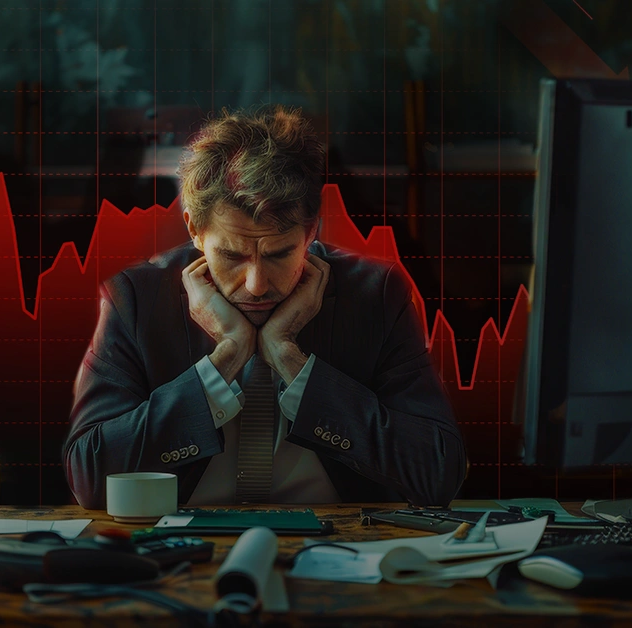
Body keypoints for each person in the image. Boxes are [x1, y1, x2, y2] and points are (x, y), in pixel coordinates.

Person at [63, 105, 465, 508]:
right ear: (195, 231)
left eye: (278, 254)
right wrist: (225, 359)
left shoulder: (376, 296)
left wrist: (291, 361)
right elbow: (90, 477)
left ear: (310, 232)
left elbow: (437, 474)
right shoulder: (135, 299)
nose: (256, 286)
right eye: (233, 256)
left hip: (334, 543)